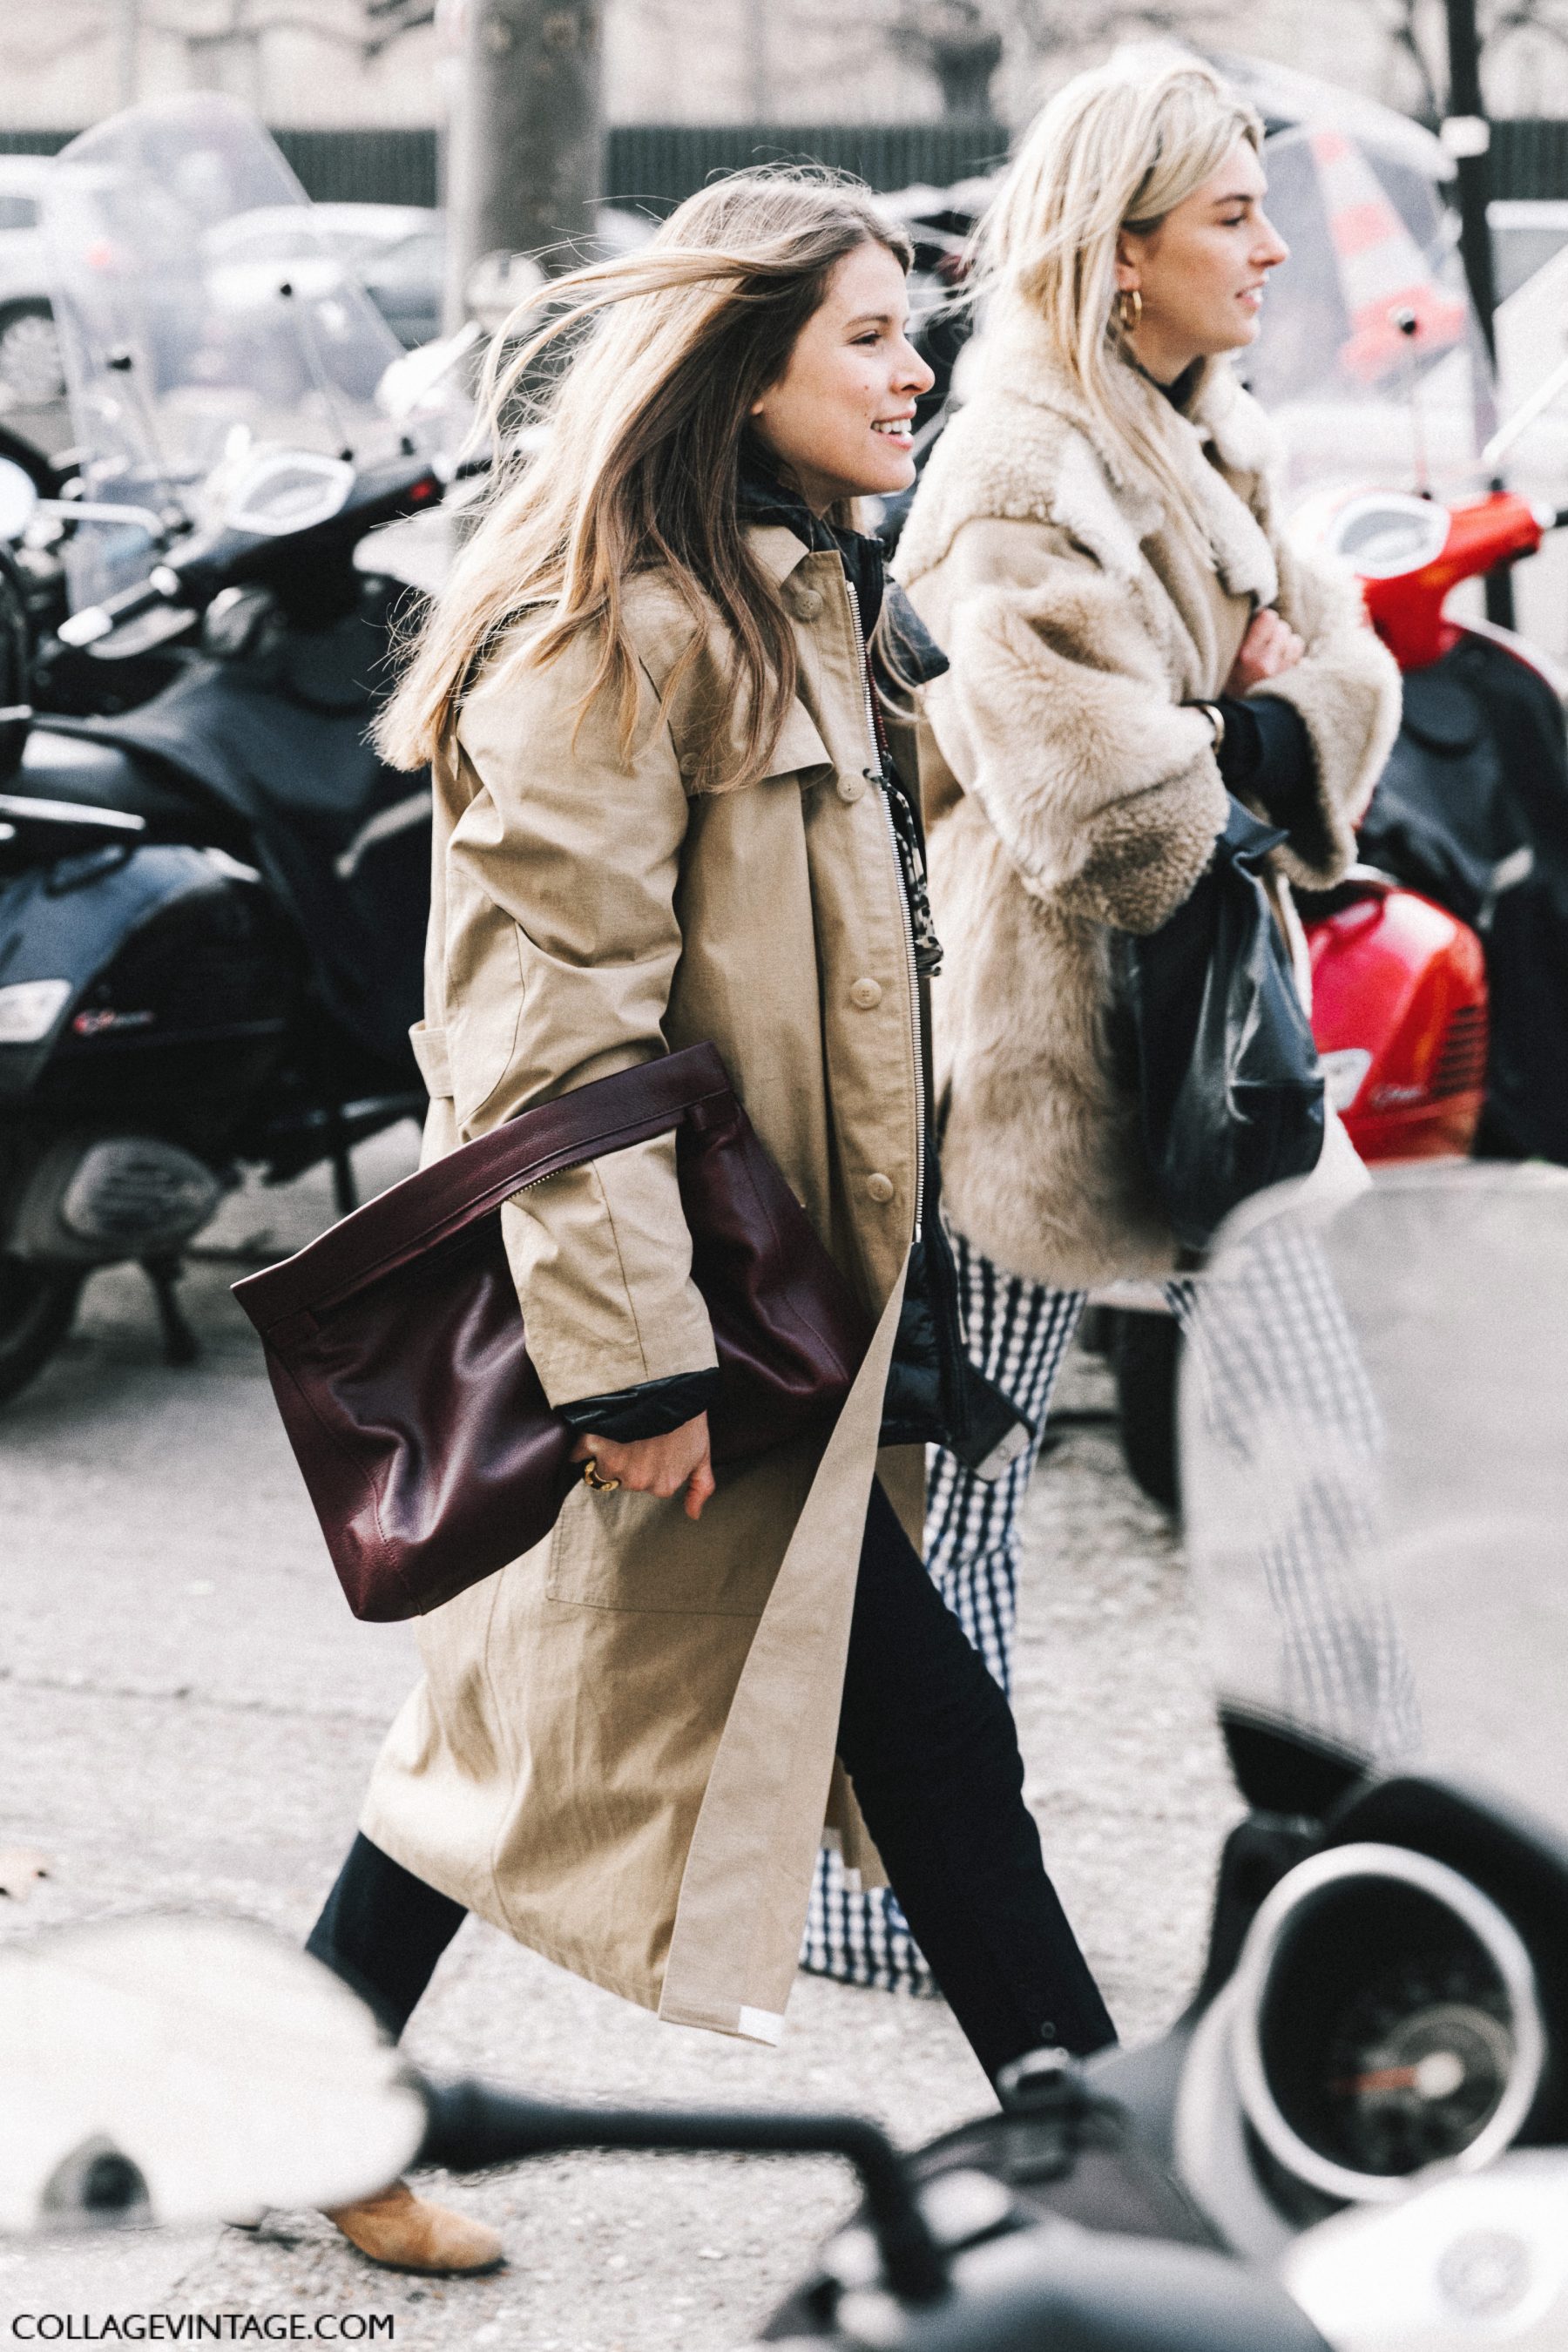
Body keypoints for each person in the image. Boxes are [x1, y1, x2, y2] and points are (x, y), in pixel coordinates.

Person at [303, 171, 1115, 2280]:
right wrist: (632, 1360)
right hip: (702, 1314)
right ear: (740, 369)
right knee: (935, 1757)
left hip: (792, 1291)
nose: (917, 369)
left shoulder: (812, 602)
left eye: (913, 331)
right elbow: (549, 1029)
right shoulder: (613, 631)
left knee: (511, 1736)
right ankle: (1117, 2175)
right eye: (869, 335)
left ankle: (285, 2100)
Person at [808, 51, 1414, 1993]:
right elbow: (1098, 813)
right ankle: (902, 1902)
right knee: (969, 1491)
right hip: (1038, 1063)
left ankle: (1347, 1880)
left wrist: (1239, 723)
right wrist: (1244, 722)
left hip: (1227, 1048)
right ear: (1123, 249)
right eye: (1233, 214)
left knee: (1322, 1463)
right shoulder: (1015, 464)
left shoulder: (1208, 428)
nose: (1273, 247)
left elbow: (1356, 675)